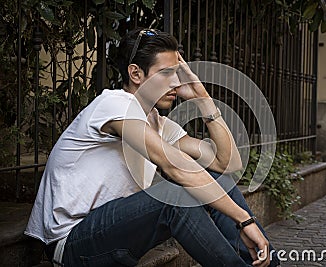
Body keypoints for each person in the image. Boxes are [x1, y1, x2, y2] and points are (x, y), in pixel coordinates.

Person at [25, 28, 280, 267]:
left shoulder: (157, 124)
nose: (176, 83)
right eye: (166, 73)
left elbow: (227, 164)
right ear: (136, 74)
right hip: (72, 243)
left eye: (178, 73)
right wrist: (245, 220)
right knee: (173, 198)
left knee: (214, 180)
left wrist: (203, 99)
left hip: (116, 234)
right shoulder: (114, 104)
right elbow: (175, 167)